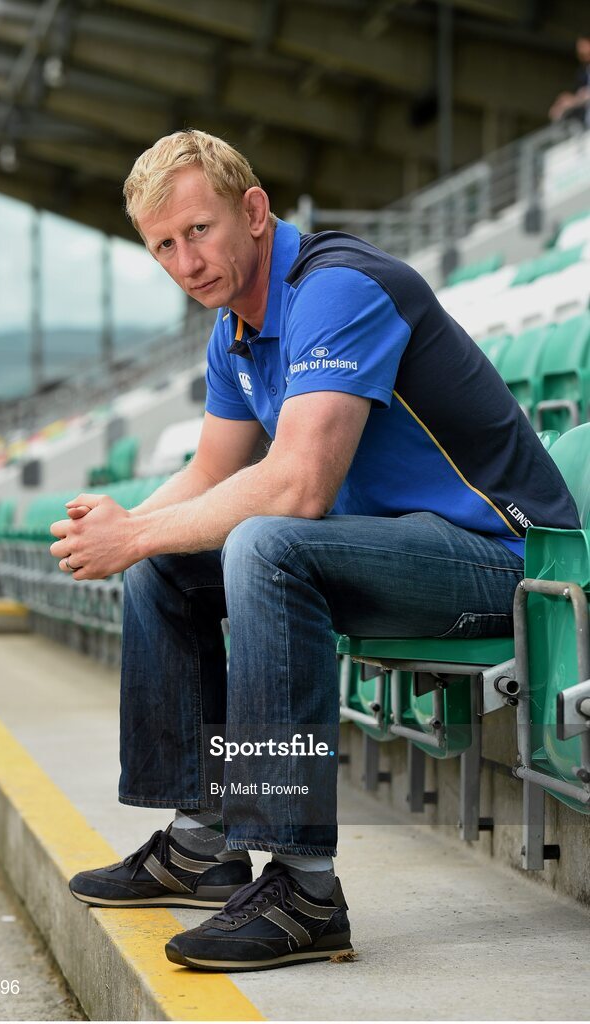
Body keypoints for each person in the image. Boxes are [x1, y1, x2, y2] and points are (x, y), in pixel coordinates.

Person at [50, 129, 579, 972]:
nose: (186, 262)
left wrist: (135, 531)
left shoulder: (340, 287)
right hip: (395, 553)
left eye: (199, 231)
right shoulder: (236, 329)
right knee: (165, 564)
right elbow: (209, 474)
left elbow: (299, 489)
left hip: (503, 560)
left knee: (264, 544)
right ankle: (201, 842)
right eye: (163, 247)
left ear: (254, 212)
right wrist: (114, 534)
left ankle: (305, 887)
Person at [549, 35, 590, 126]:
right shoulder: (582, 73)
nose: (581, 51)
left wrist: (574, 100)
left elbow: (584, 95)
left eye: (584, 46)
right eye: (578, 48)